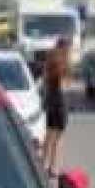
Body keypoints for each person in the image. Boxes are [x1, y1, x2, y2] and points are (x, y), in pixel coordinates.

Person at [42, 37, 70, 173]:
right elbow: (62, 86)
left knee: (49, 134)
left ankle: (43, 163)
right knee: (57, 136)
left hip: (51, 101)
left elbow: (46, 84)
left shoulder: (50, 62)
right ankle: (53, 167)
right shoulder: (62, 63)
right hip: (59, 102)